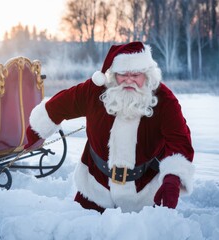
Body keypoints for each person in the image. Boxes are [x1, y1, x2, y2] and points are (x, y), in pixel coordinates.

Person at [25, 41, 195, 213]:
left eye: (136, 74)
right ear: (114, 75)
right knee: (77, 230)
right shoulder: (95, 91)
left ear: (147, 74)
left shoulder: (164, 99)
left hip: (144, 192)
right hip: (95, 187)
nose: (129, 80)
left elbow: (179, 140)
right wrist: (37, 128)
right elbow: (63, 104)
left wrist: (172, 178)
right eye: (123, 74)